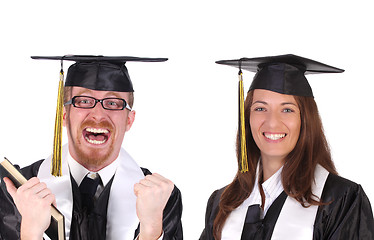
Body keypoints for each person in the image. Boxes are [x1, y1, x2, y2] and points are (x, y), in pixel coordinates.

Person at [0, 55, 183, 240]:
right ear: (63, 115)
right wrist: (31, 231)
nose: (98, 114)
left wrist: (151, 229)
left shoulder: (161, 197)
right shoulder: (20, 190)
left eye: (113, 103)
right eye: (84, 101)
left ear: (129, 120)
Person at [200, 54, 374, 239]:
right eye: (260, 108)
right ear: (246, 119)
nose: (272, 123)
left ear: (305, 119)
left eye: (287, 109)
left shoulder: (340, 200)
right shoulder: (223, 202)